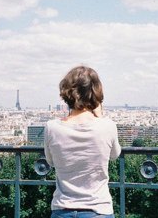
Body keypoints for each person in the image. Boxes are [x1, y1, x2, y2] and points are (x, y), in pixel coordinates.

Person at [44, 66, 121, 218]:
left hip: (62, 208)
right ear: (96, 93)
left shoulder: (51, 127)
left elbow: (50, 161)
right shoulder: (107, 125)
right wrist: (99, 117)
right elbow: (115, 155)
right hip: (98, 209)